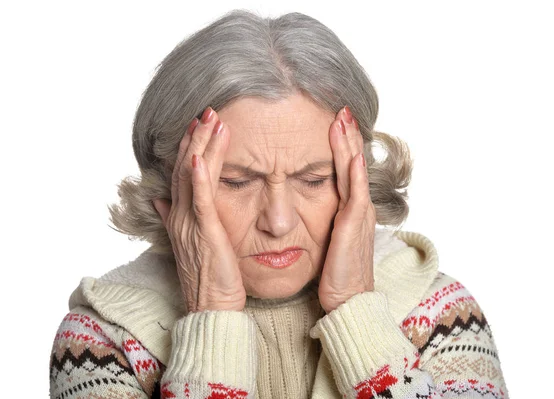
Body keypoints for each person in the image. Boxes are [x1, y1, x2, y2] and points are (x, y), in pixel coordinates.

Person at [49, 9, 509, 399]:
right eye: (236, 182)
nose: (279, 221)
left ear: (358, 180)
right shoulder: (102, 336)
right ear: (173, 190)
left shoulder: (439, 310)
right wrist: (212, 317)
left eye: (313, 179)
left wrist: (361, 317)